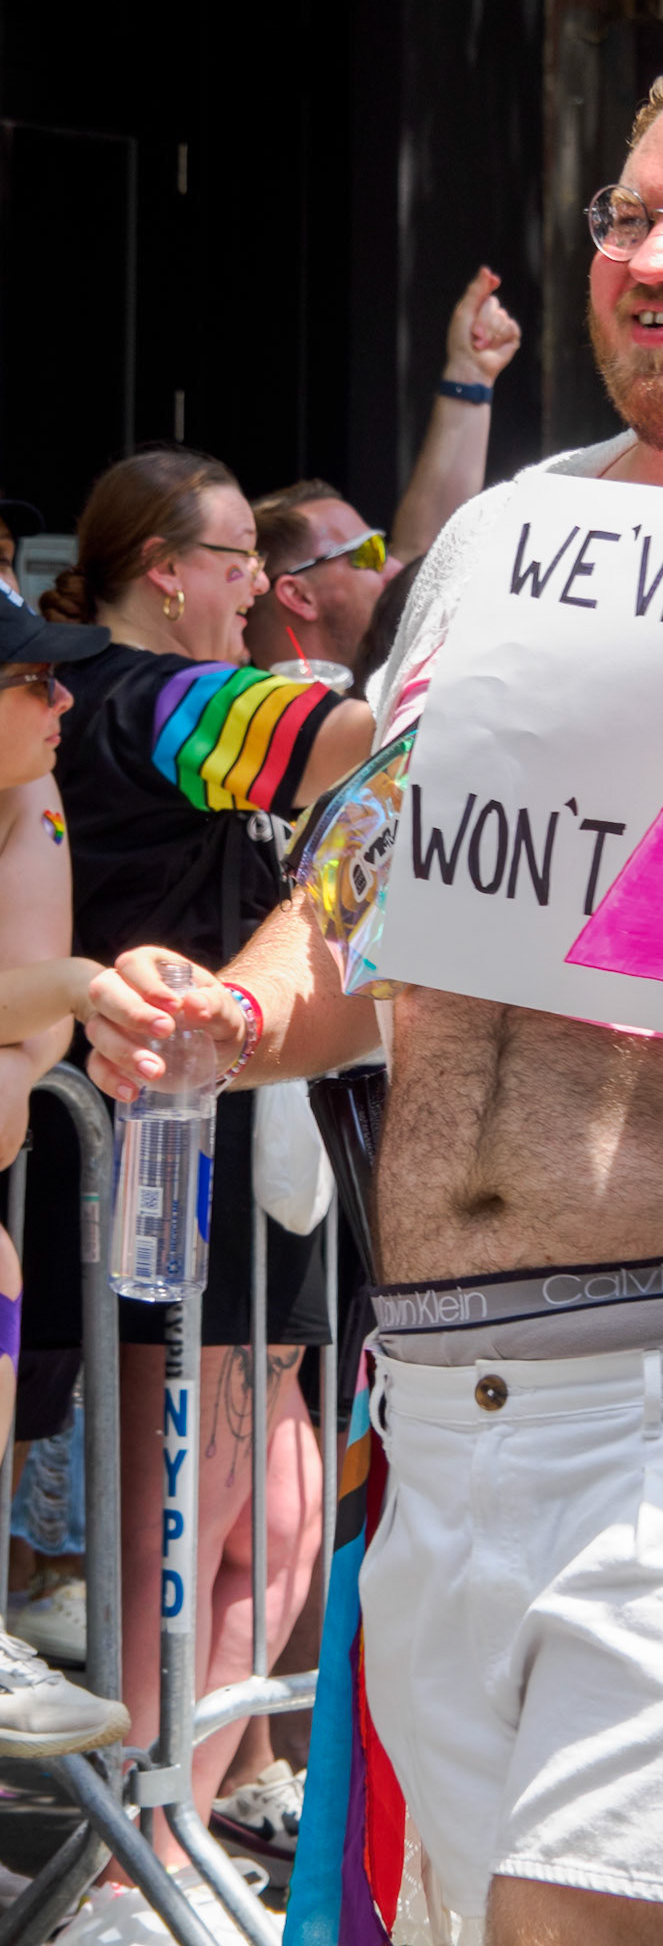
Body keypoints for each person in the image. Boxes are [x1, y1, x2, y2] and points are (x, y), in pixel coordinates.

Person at [87, 11, 663, 1946]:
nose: (653, 263)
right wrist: (236, 1015)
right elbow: (378, 888)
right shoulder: (505, 541)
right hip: (447, 1408)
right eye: (629, 215)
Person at [32, 446, 374, 1881]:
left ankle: (167, 1842)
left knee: (283, 1523)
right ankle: (120, 1870)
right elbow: (345, 740)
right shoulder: (141, 698)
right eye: (242, 560)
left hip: (264, 1154)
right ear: (166, 571)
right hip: (167, 1155)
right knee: (186, 1529)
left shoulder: (183, 692)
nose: (265, 589)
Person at [0, 591, 131, 1757]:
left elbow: (27, 1044)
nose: (66, 697)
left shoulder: (29, 791)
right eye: (35, 679)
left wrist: (62, 995)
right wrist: (82, 984)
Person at [245, 267, 522, 676]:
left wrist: (472, 373)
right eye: (369, 554)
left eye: (384, 548)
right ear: (298, 596)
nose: (395, 566)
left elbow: (428, 547)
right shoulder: (241, 711)